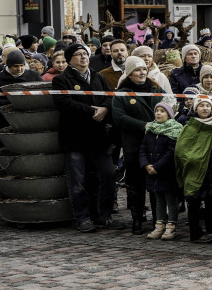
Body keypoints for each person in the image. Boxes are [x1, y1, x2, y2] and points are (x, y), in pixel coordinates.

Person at [53, 44, 122, 232]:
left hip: (99, 137)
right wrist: (92, 111)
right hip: (74, 137)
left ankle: (104, 216)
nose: (84, 57)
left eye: (85, 54)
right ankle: (82, 218)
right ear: (69, 59)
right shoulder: (61, 80)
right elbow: (63, 103)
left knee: (108, 175)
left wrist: (105, 109)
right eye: (79, 54)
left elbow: (109, 97)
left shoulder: (99, 77)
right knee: (78, 181)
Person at [111, 56, 164, 235]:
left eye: (143, 69)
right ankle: (137, 219)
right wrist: (143, 125)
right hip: (134, 144)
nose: (142, 73)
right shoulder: (123, 93)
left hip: (157, 145)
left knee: (156, 183)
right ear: (129, 73)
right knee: (135, 184)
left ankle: (159, 220)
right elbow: (119, 117)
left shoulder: (156, 88)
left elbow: (171, 105)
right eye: (137, 70)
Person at [175, 95, 212, 243]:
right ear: (195, 108)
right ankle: (195, 233)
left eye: (207, 105)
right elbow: (182, 151)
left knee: (211, 201)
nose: (205, 108)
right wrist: (195, 159)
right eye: (201, 105)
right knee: (194, 202)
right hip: (196, 171)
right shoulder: (190, 127)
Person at [138, 101, 184, 240]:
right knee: (158, 199)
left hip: (167, 172)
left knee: (171, 199)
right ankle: (159, 225)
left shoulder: (175, 130)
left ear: (169, 114)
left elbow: (171, 153)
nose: (158, 113)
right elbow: (143, 149)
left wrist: (157, 167)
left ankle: (171, 226)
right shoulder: (150, 130)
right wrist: (146, 165)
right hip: (152, 172)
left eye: (162, 111)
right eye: (157, 110)